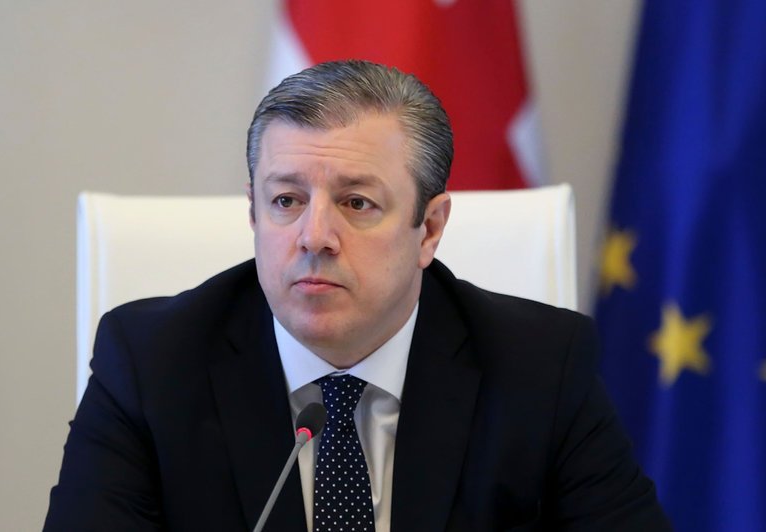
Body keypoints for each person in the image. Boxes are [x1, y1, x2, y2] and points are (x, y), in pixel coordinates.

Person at [45, 60, 670, 531]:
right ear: (254, 213)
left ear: (429, 229)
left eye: (357, 202)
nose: (314, 236)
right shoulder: (151, 362)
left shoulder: (540, 366)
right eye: (286, 200)